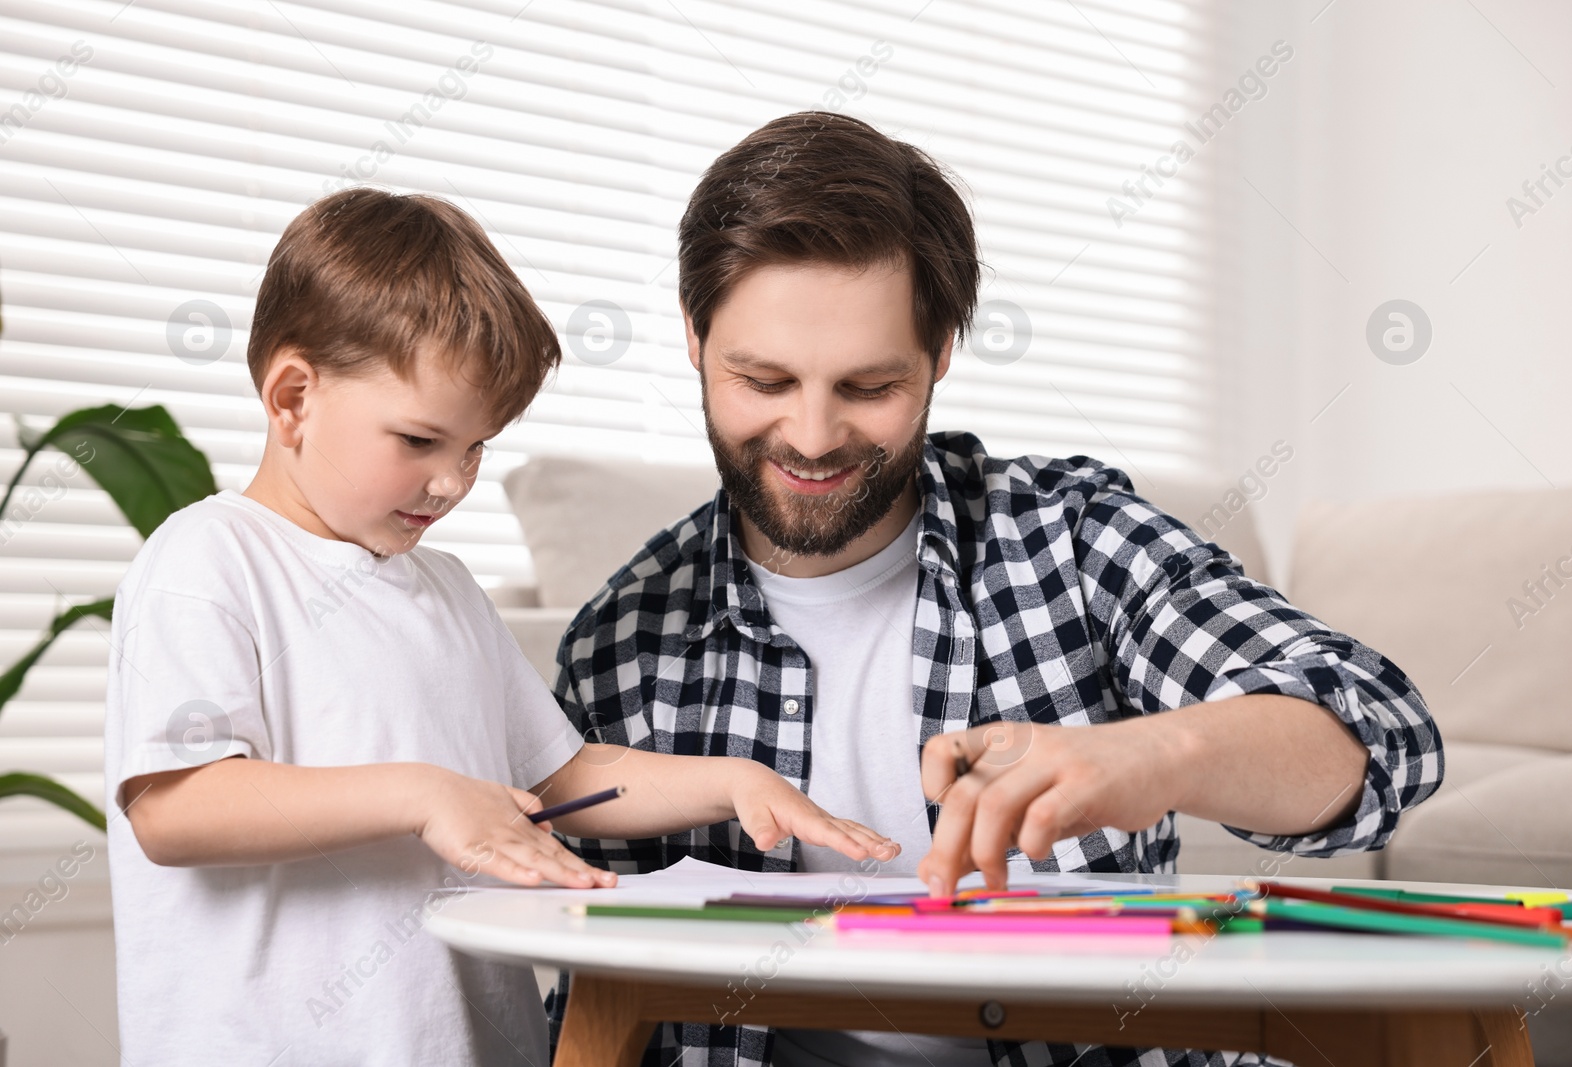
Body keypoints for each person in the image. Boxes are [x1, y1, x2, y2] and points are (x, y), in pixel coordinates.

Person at [546, 113, 1444, 1067]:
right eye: (762, 378)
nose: (810, 434)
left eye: (868, 386)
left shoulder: (1070, 538)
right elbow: (596, 1007)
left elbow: (1381, 734)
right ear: (693, 338)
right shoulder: (622, 647)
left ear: (939, 353)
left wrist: (1152, 756)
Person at [103, 188, 899, 1067]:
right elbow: (176, 808)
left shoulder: (441, 587)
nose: (450, 483)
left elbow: (563, 778)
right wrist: (422, 793)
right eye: (418, 440)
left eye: (475, 448)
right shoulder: (208, 561)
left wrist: (731, 780)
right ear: (293, 397)